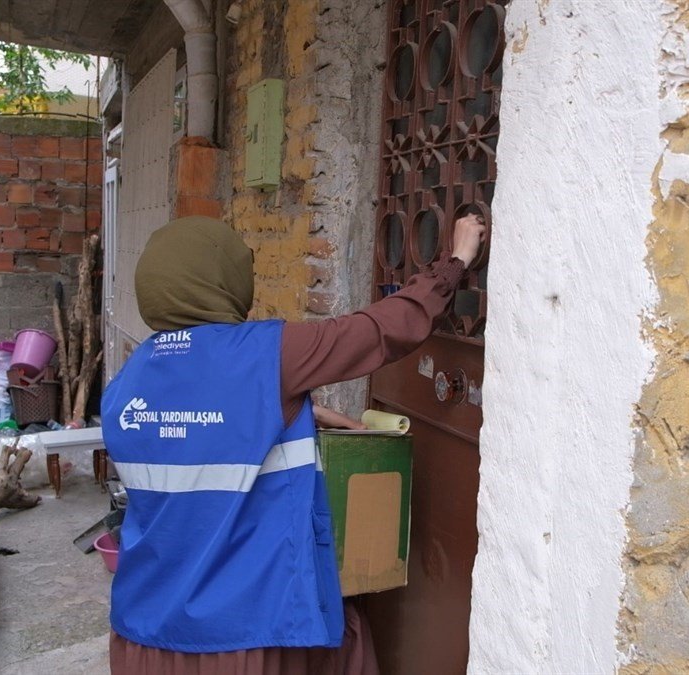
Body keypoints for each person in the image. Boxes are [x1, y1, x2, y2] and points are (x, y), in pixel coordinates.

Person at [100, 212, 486, 674]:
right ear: (224, 280)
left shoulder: (128, 382)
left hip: (144, 632)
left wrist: (297, 413)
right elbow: (375, 331)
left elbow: (200, 437)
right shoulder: (268, 353)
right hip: (244, 633)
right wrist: (454, 263)